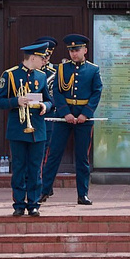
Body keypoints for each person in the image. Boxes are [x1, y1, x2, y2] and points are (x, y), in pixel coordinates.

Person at [41, 34, 101, 208]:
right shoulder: (62, 69)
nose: (74, 53)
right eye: (71, 50)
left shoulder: (93, 69)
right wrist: (65, 112)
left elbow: (97, 92)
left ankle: (83, 194)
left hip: (84, 117)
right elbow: (58, 92)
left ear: (85, 50)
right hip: (63, 117)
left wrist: (86, 114)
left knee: (82, 157)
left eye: (77, 50)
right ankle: (44, 190)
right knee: (54, 155)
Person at [0, 38, 52, 216]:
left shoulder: (42, 76)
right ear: (33, 57)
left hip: (38, 129)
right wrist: (16, 101)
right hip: (18, 129)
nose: (44, 61)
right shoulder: (10, 75)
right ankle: (19, 204)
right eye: (42, 58)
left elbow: (50, 100)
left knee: (36, 168)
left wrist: (46, 107)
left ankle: (34, 203)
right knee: (19, 167)